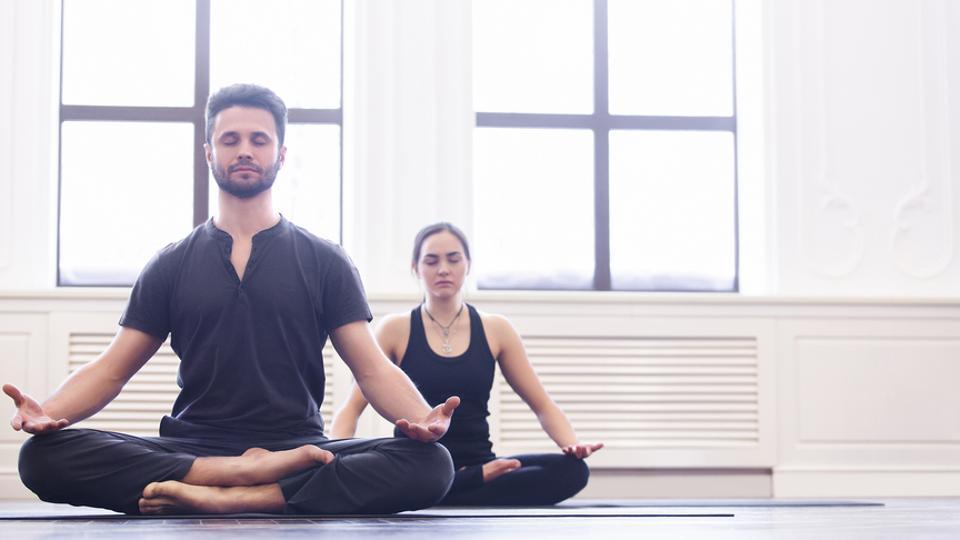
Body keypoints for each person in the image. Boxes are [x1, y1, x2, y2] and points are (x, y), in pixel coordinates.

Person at [3, 84, 459, 516]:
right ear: (209, 153)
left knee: (432, 463)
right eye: (230, 139)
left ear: (280, 154)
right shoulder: (171, 263)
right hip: (190, 447)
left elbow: (372, 367)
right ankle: (232, 477)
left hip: (295, 447)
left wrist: (421, 417)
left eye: (259, 140)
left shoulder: (325, 260)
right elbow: (111, 369)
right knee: (41, 458)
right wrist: (50, 413)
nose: (245, 150)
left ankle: (241, 497)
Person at [330, 223, 603, 506]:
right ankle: (469, 483)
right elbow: (351, 408)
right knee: (397, 475)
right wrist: (333, 459)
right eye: (431, 260)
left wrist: (571, 445)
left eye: (453, 258)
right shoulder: (394, 329)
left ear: (468, 265)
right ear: (416, 268)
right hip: (419, 465)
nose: (443, 269)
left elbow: (542, 404)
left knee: (572, 472)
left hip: (480, 461)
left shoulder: (496, 329)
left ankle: (454, 487)